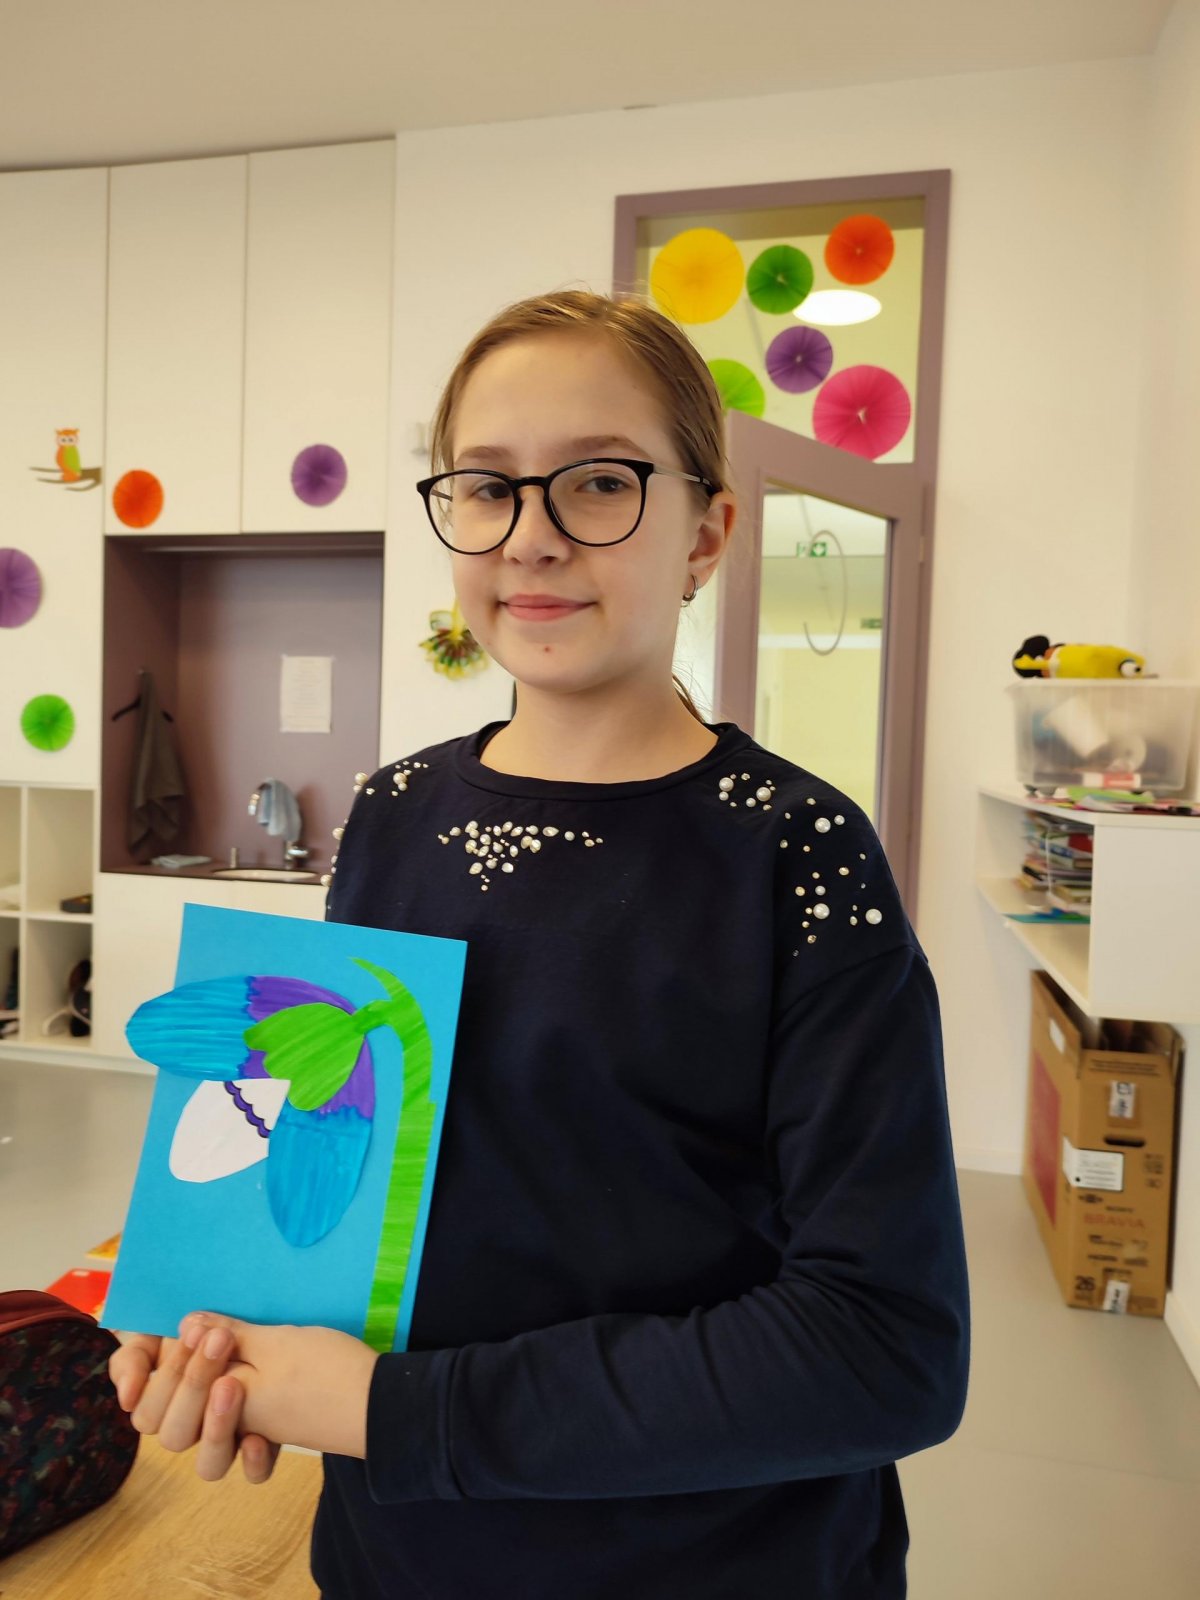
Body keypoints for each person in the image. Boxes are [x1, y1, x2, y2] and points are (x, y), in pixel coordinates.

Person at [110, 289, 971, 1598]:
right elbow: (352, 1170)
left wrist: (395, 1412)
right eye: (487, 486)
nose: (533, 536)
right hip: (403, 1557)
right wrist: (225, 1338)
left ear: (706, 533)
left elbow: (882, 1347)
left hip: (715, 1568)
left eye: (601, 482)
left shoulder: (798, 855)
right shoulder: (395, 814)